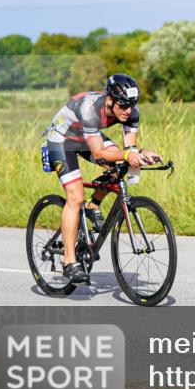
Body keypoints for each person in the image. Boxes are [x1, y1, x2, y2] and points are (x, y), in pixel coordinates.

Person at [43, 73, 161, 283]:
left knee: (119, 165)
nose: (128, 110)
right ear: (110, 100)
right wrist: (126, 155)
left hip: (88, 136)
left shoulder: (131, 111)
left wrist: (141, 154)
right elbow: (98, 153)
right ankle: (69, 262)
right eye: (123, 105)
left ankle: (93, 204)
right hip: (62, 139)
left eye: (131, 105)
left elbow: (130, 148)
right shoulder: (90, 109)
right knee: (75, 197)